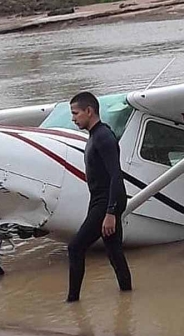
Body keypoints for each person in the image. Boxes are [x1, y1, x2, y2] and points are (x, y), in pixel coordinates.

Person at [66, 91, 132, 302]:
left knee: (75, 247)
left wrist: (111, 212)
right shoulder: (94, 136)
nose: (73, 118)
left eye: (75, 113)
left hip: (106, 201)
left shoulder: (103, 137)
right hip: (101, 200)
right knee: (114, 251)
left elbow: (116, 176)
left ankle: (72, 302)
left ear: (89, 111)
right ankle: (127, 294)